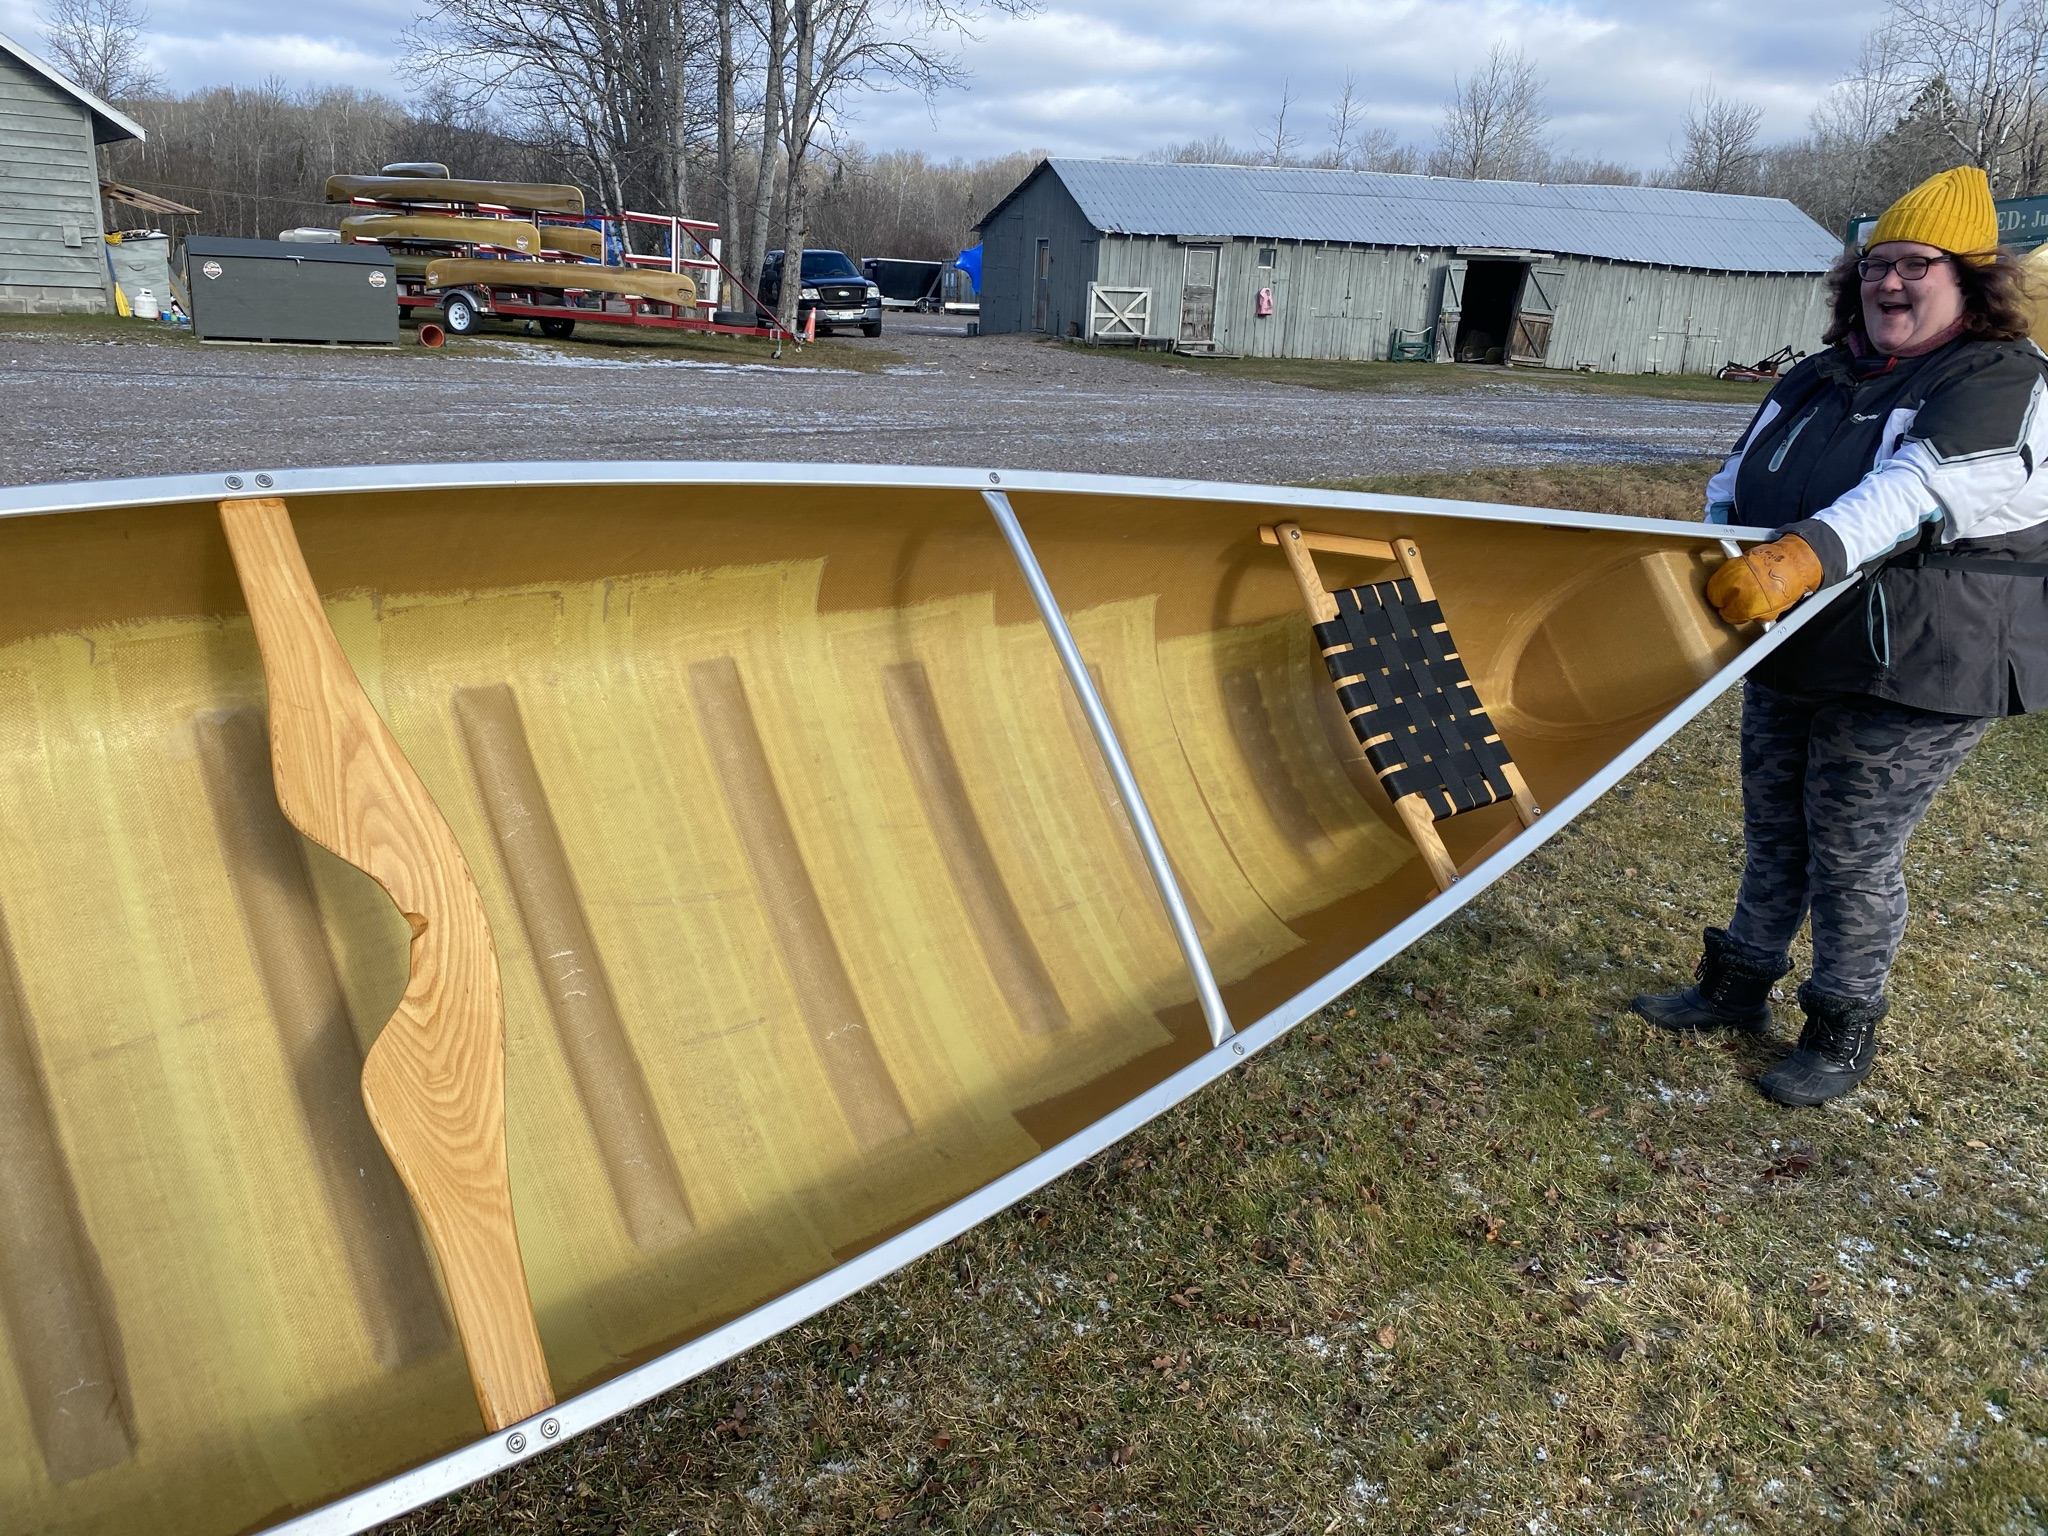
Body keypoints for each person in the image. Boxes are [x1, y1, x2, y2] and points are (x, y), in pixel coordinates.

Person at [1630, 164, 2048, 1106]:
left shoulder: (2001, 379)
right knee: (1775, 822)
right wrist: (1720, 545)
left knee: (1852, 845)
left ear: (1969, 279)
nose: (1889, 283)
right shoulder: (1817, 377)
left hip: (1926, 657)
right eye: (1875, 266)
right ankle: (1738, 983)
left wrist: (1800, 556)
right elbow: (1737, 479)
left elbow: (1918, 489)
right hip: (1799, 636)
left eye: (1916, 265)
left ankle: (1841, 1022)